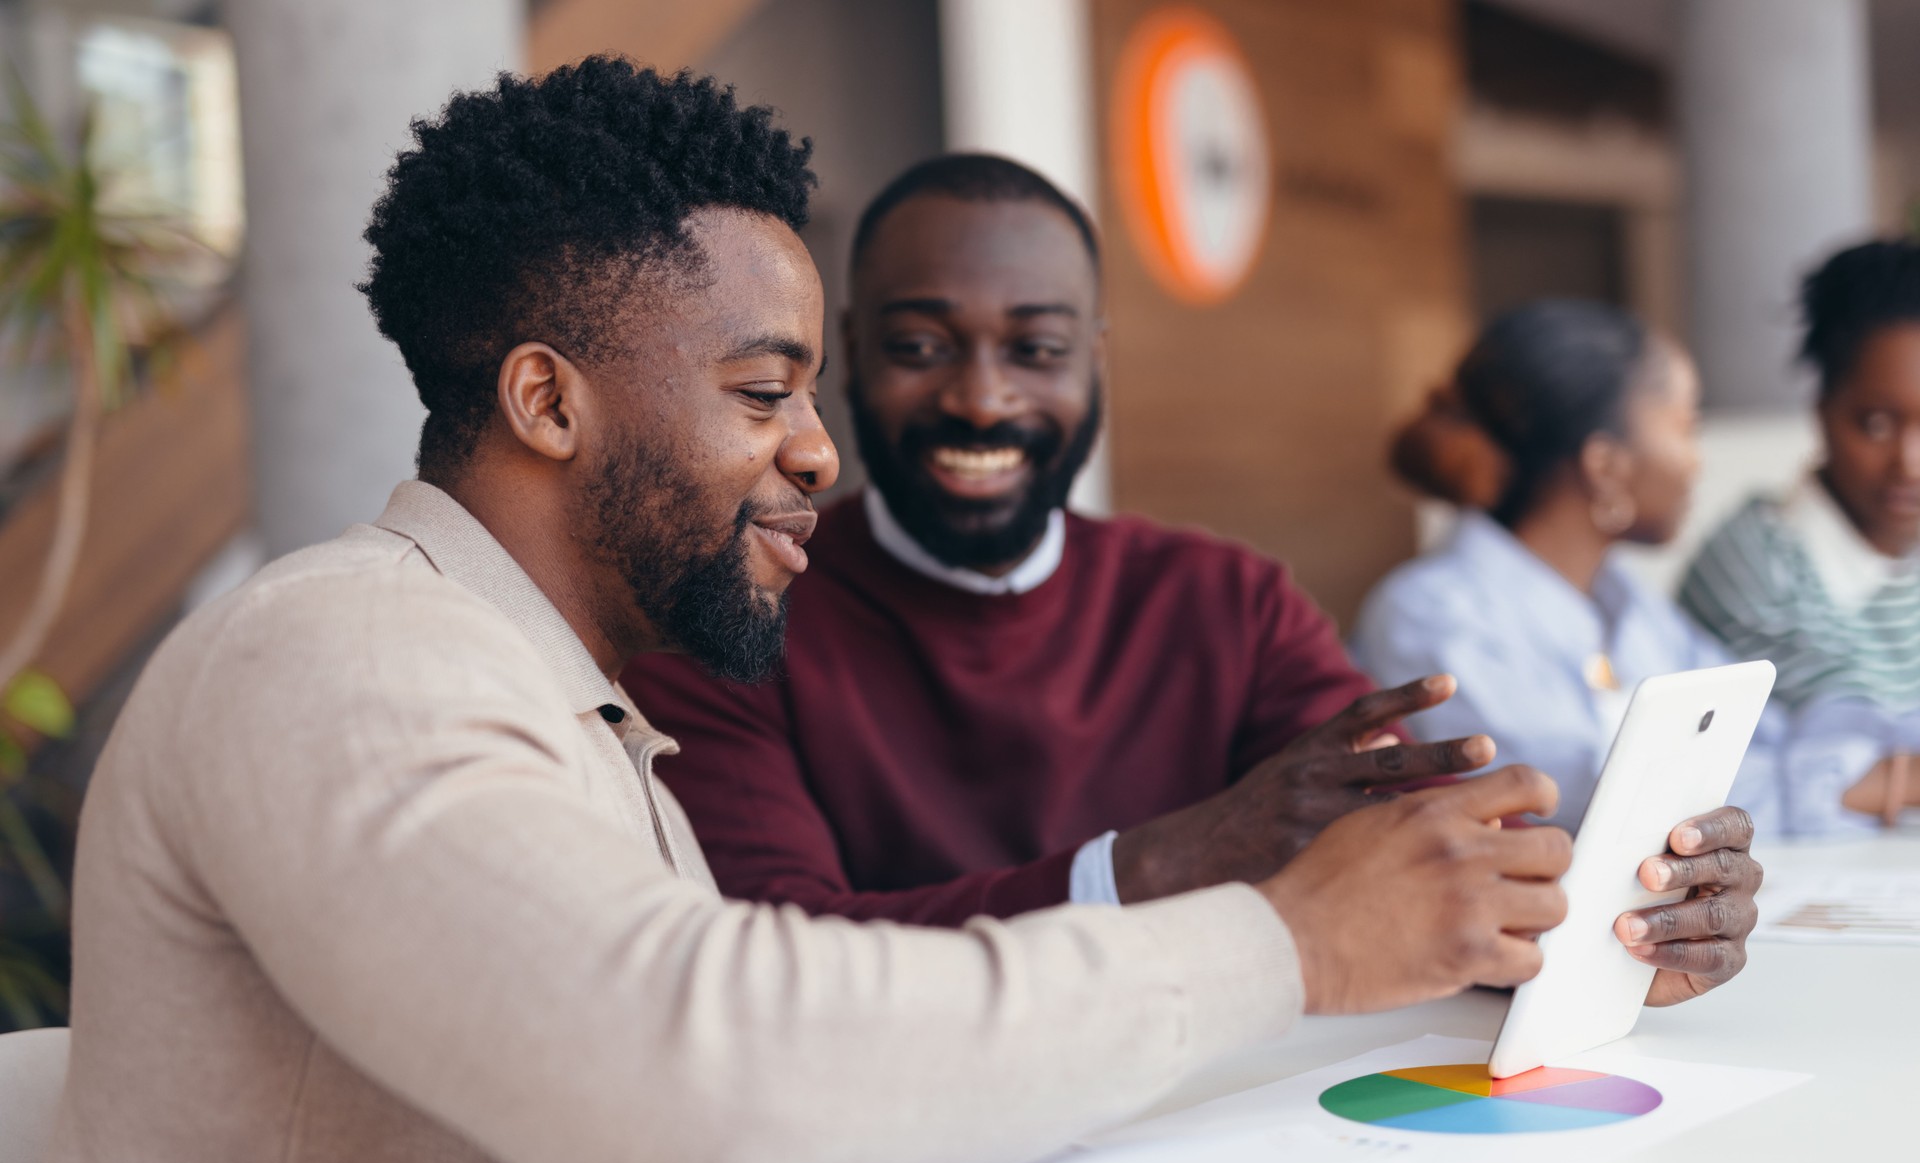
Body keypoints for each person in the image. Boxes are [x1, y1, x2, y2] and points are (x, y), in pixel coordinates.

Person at [10, 63, 1600, 1163]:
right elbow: (697, 1069)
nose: (823, 451)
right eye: (766, 391)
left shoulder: (562, 685)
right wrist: (1286, 945)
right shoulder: (344, 653)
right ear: (549, 404)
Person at [620, 161, 1758, 981]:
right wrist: (1166, 861)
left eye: (1037, 349)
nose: (981, 395)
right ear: (851, 358)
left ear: (1095, 364)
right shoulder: (734, 613)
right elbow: (785, 966)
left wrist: (1630, 919)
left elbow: (1432, 861)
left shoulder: (1227, 601)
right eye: (922, 347)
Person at [1350, 300, 1785, 833]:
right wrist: (1836, 783)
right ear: (1603, 466)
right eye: (1685, 426)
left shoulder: (1627, 603)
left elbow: (1762, 732)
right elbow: (1593, 799)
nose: (1697, 460)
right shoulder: (1429, 618)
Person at [1681, 239, 1920, 832]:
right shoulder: (1755, 562)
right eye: (1876, 424)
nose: (1909, 462)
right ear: (1821, 411)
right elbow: (1838, 769)